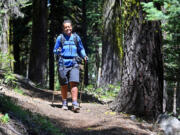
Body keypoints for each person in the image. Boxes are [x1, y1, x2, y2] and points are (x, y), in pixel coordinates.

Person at [53, 20, 88, 112]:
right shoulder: (60, 38)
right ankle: (64, 102)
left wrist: (84, 55)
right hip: (62, 63)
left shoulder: (76, 38)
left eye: (69, 26)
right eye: (65, 27)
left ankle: (75, 103)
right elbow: (55, 50)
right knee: (64, 83)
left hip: (74, 62)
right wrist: (58, 51)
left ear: (71, 27)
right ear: (63, 29)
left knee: (74, 82)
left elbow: (81, 49)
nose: (68, 28)